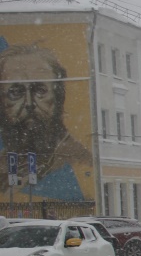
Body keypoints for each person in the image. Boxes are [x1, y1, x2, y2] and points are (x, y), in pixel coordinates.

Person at [0, 44, 92, 201]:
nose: (29, 103)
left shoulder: (79, 160)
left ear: (58, 97)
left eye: (40, 90)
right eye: (15, 92)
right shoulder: (5, 161)